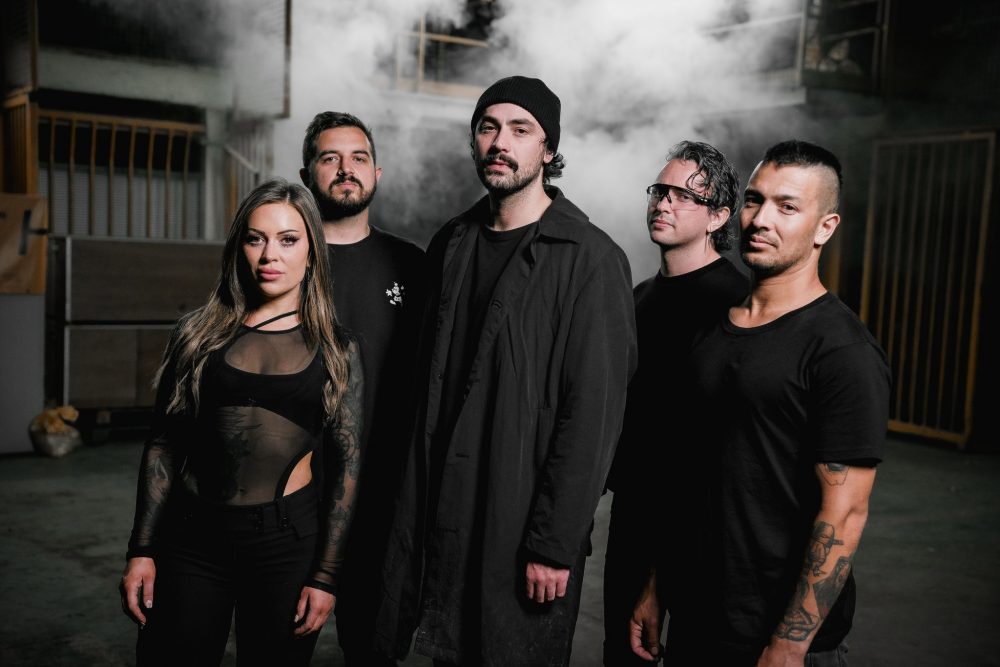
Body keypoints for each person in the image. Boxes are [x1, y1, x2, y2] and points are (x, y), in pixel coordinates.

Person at [373, 75, 637, 666]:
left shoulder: (591, 259)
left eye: (521, 130)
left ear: (548, 149)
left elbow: (593, 417)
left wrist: (554, 542)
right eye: (488, 127)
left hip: (517, 516)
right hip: (440, 504)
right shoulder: (451, 243)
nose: (500, 142)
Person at [630, 140, 891, 665]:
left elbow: (844, 513)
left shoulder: (841, 350)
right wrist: (658, 586)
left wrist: (790, 644)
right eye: (754, 200)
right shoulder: (711, 333)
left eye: (787, 207)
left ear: (825, 228)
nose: (760, 219)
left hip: (780, 643)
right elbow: (686, 475)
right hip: (697, 620)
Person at [118, 178, 364, 666]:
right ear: (240, 248)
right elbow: (164, 445)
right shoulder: (196, 333)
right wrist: (141, 549)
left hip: (285, 544)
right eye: (256, 239)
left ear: (312, 253)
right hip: (192, 539)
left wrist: (326, 576)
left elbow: (348, 464)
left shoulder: (338, 348)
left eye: (288, 240)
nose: (270, 254)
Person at [602, 140, 748, 665]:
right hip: (635, 511)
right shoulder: (638, 297)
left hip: (701, 518)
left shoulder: (738, 303)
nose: (663, 203)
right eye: (659, 191)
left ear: (718, 217)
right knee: (623, 655)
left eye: (684, 196)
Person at [299, 111, 426, 666]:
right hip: (294, 494)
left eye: (358, 158)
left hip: (382, 494)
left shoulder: (413, 266)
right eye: (330, 158)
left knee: (374, 651)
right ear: (307, 174)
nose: (345, 169)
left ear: (377, 172)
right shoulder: (285, 258)